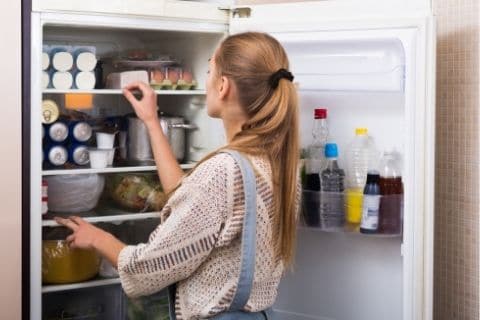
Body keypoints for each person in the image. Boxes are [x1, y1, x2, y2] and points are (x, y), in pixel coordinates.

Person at [55, 32, 300, 319]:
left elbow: (147, 270)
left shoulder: (222, 171)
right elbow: (190, 200)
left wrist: (98, 238)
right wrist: (150, 121)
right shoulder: (274, 163)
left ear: (222, 86)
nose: (207, 80)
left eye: (210, 71)